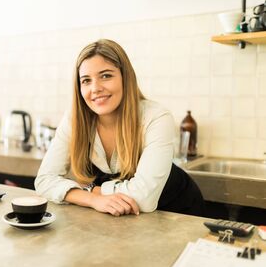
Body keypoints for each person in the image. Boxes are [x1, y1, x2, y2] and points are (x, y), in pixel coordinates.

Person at [35, 39, 204, 217]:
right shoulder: (75, 118)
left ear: (126, 77)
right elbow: (44, 181)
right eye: (86, 80)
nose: (95, 88)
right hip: (124, 220)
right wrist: (93, 199)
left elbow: (143, 198)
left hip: (178, 216)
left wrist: (91, 190)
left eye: (106, 76)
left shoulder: (156, 117)